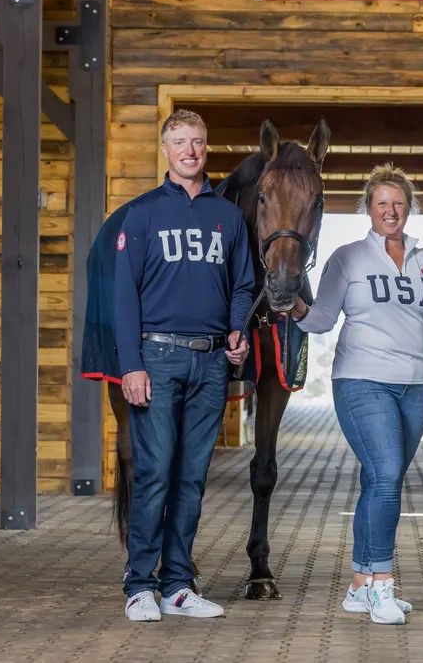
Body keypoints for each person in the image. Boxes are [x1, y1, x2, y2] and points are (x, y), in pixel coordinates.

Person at [288, 164, 423, 625]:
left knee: (378, 482)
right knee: (388, 474)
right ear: (367, 209)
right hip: (360, 381)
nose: (391, 211)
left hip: (415, 384)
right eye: (381, 203)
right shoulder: (348, 258)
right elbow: (321, 319)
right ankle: (382, 585)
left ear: (409, 208)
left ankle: (358, 586)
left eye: (399, 203)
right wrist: (291, 306)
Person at [114, 109, 254, 622]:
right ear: (166, 151)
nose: (189, 151)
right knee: (154, 473)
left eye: (197, 141)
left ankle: (177, 585)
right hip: (157, 358)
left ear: (206, 148)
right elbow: (123, 295)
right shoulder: (142, 214)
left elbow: (242, 285)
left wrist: (237, 332)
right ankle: (139, 586)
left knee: (193, 477)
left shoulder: (228, 218)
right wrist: (131, 364)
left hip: (212, 362)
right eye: (179, 142)